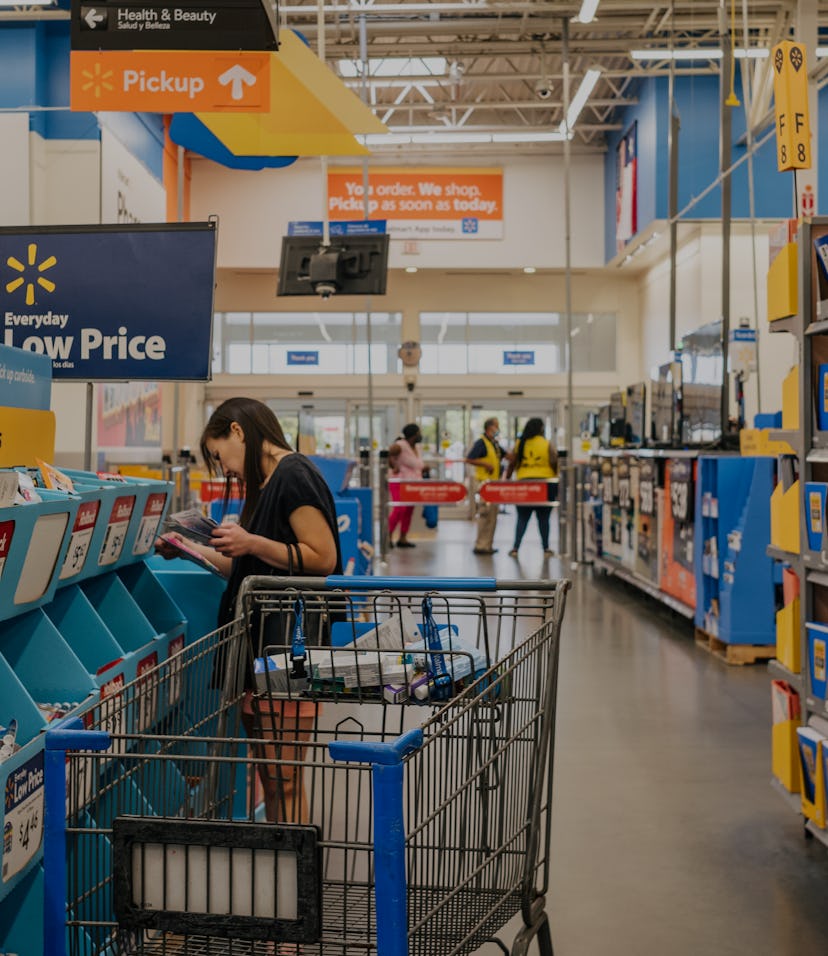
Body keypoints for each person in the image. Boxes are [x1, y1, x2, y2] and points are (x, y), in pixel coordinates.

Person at [156, 397, 342, 824]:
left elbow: (322, 557)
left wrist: (251, 542)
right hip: (261, 647)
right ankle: (284, 865)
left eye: (220, 455)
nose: (225, 470)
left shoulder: (295, 475)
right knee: (272, 776)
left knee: (286, 777)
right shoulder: (265, 484)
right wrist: (190, 550)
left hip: (290, 647)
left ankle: (297, 876)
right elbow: (246, 568)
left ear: (238, 431)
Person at [505, 417, 558, 558]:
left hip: (524, 484)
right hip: (545, 484)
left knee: (522, 518)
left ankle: (515, 548)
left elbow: (512, 463)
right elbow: (554, 462)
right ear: (541, 428)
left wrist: (507, 479)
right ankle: (546, 548)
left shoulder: (520, 443)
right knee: (544, 518)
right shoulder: (546, 444)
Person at [464, 417, 505, 555]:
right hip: (484, 484)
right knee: (485, 514)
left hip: (493, 484)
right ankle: (481, 545)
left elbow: (507, 456)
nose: (498, 429)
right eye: (496, 426)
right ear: (490, 428)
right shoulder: (481, 442)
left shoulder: (494, 443)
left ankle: (488, 544)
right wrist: (486, 464)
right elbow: (469, 458)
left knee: (492, 516)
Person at [387, 422, 424, 548]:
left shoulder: (417, 448)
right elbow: (388, 454)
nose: (420, 435)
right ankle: (388, 536)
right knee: (399, 509)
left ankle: (403, 538)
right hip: (399, 482)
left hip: (412, 484)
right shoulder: (400, 445)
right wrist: (394, 465)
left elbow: (418, 464)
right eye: (418, 433)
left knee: (408, 510)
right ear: (413, 435)